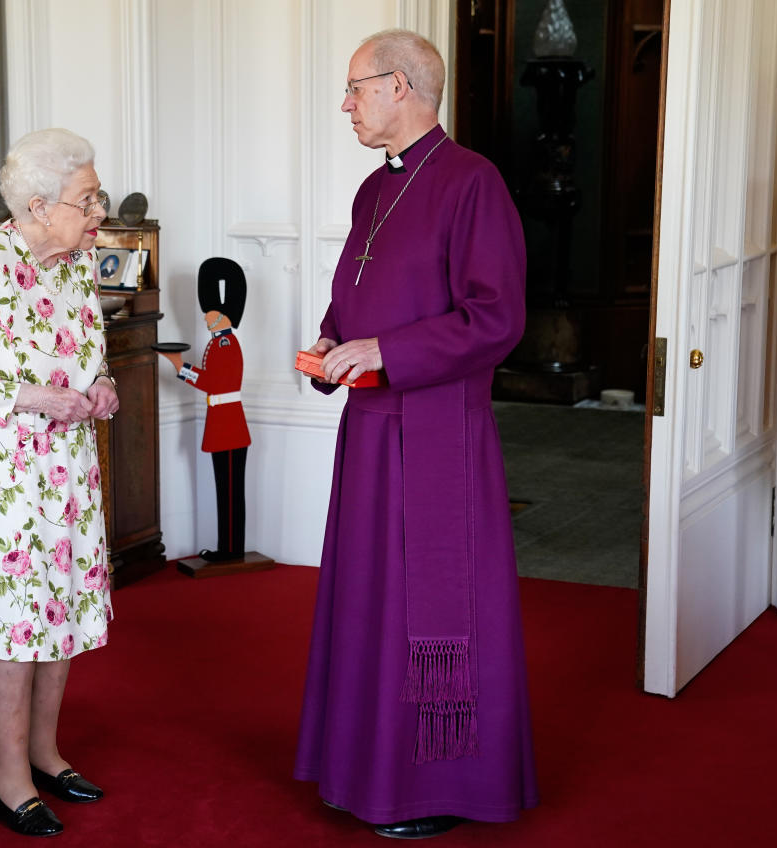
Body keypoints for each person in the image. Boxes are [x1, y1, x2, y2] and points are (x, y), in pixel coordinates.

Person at [293, 29, 539, 840]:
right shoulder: (374, 189)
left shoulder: (474, 183)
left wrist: (389, 352)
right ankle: (362, 770)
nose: (347, 103)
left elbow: (495, 318)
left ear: (401, 86)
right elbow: (360, 294)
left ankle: (433, 786)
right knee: (369, 606)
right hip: (368, 429)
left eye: (356, 87)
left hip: (436, 436)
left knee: (425, 615)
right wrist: (333, 342)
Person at [0, 128, 119, 838]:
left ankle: (45, 751)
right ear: (39, 206)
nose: (98, 209)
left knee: (60, 616)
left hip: (69, 469)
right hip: (6, 477)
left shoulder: (74, 264)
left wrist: (100, 386)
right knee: (19, 625)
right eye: (87, 198)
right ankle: (6, 774)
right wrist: (38, 399)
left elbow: (89, 353)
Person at [156, 257, 251, 562]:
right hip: (222, 422)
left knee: (231, 492)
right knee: (225, 489)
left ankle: (232, 550)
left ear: (224, 317)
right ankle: (228, 548)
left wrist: (180, 366)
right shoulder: (217, 343)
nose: (205, 319)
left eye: (210, 315)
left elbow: (213, 383)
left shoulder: (226, 345)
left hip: (229, 424)